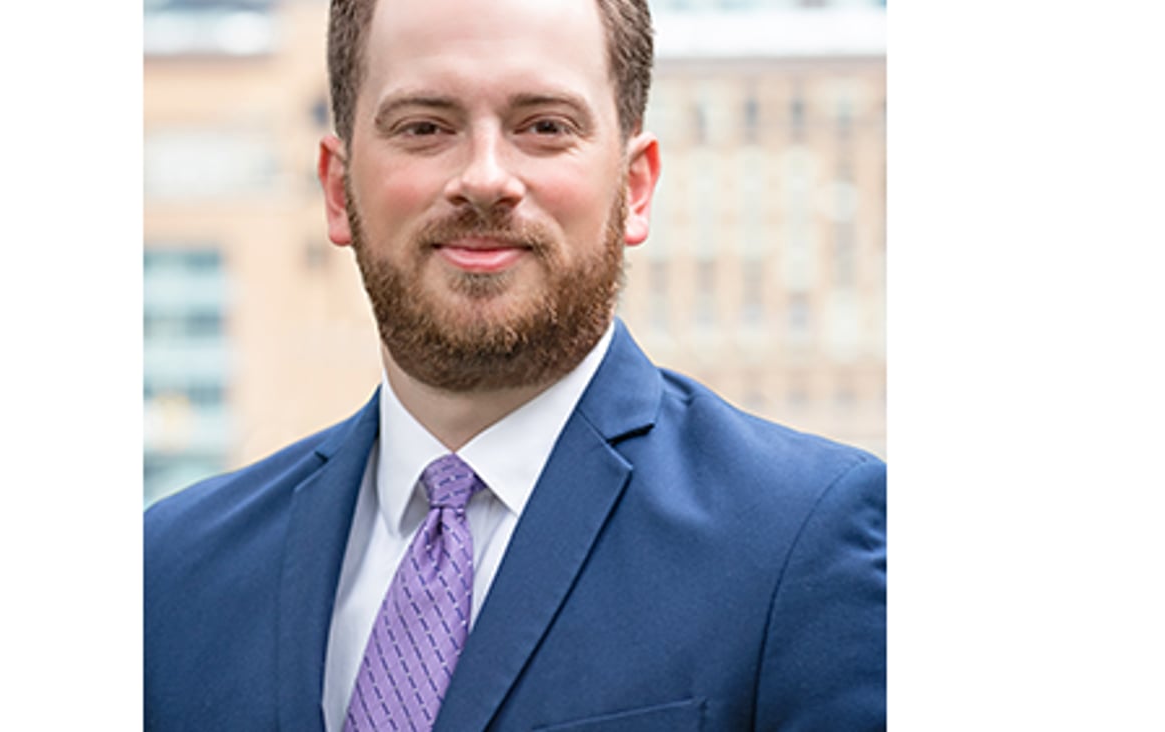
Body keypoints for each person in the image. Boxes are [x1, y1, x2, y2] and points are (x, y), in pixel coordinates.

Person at [144, 0, 886, 728]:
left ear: (634, 187)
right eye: (425, 127)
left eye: (544, 127)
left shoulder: (804, 543)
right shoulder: (168, 576)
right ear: (339, 189)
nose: (486, 177)